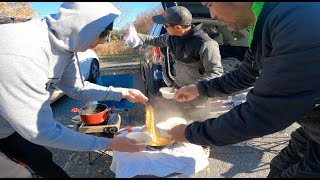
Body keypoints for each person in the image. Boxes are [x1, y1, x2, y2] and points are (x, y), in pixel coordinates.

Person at [169, 2, 320, 178]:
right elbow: (246, 73)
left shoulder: (297, 19)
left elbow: (261, 113)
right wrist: (199, 89)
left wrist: (189, 133)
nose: (212, 15)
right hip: (312, 128)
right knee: (279, 166)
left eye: (210, 4)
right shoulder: (264, 24)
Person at [0, 2, 148, 178]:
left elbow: (77, 88)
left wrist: (121, 92)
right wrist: (109, 144)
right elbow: (40, 130)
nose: (102, 41)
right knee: (19, 175)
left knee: (41, 157)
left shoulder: (66, 45)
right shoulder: (22, 54)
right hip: (15, 124)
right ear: (81, 26)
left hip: (8, 124)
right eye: (102, 34)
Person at [133, 6, 223, 121]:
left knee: (195, 126)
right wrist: (137, 36)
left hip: (197, 93)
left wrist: (196, 88)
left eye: (165, 26)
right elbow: (155, 40)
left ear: (178, 27)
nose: (165, 28)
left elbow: (216, 72)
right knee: (169, 118)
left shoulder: (206, 44)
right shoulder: (170, 37)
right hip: (177, 87)